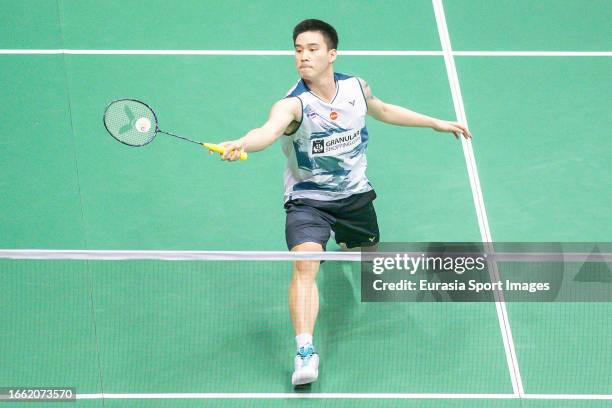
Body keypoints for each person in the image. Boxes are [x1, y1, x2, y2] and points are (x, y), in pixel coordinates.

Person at [216, 19, 472, 386]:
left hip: (354, 196)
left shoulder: (355, 87)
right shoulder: (293, 106)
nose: (303, 56)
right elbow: (267, 132)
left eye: (312, 49)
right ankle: (305, 350)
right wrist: (242, 142)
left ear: (331, 54)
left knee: (366, 252)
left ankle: (349, 243)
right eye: (298, 49)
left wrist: (434, 122)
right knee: (305, 266)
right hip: (308, 201)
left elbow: (382, 110)